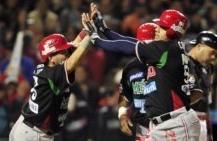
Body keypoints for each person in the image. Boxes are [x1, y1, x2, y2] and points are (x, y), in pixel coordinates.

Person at [84, 6, 202, 140]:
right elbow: (131, 42)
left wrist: (96, 39)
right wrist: (103, 29)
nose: (157, 28)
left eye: (162, 27)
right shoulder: (170, 49)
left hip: (176, 122)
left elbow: (125, 47)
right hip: (165, 123)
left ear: (172, 31)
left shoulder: (165, 50)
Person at [9, 13, 92, 141]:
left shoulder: (49, 66)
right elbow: (73, 62)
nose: (67, 54)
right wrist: (90, 36)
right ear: (51, 57)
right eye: (62, 52)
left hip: (29, 128)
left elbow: (74, 45)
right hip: (33, 134)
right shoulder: (52, 73)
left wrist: (86, 29)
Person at [188, 31, 217, 141]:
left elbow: (207, 99)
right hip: (186, 120)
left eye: (215, 54)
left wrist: (209, 130)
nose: (213, 57)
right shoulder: (183, 63)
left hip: (201, 121)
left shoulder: (209, 68)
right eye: (211, 52)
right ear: (199, 46)